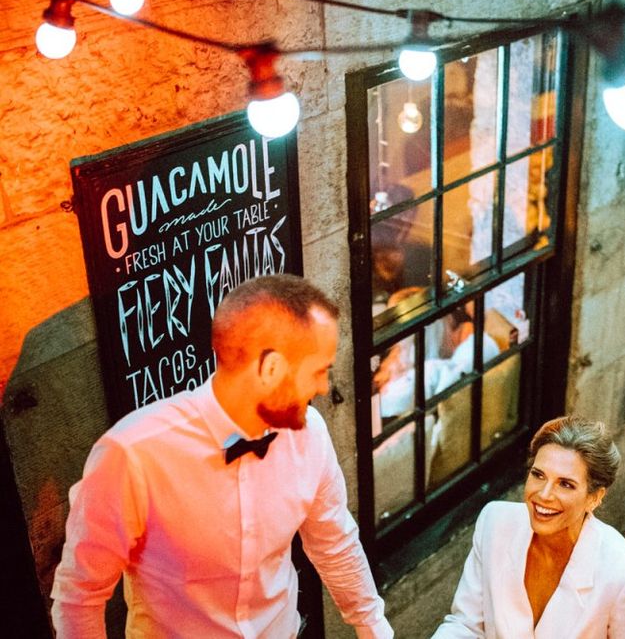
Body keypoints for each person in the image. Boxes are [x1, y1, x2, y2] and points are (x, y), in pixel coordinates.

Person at [51, 274, 394, 639]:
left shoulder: (310, 434)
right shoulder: (133, 454)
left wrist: (373, 626)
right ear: (271, 369)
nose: (324, 387)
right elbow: (80, 596)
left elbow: (334, 542)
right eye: (318, 371)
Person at [433, 415, 625, 638]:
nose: (544, 495)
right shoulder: (495, 522)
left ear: (594, 498)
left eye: (565, 484)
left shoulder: (623, 572)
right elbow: (466, 625)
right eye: (538, 475)